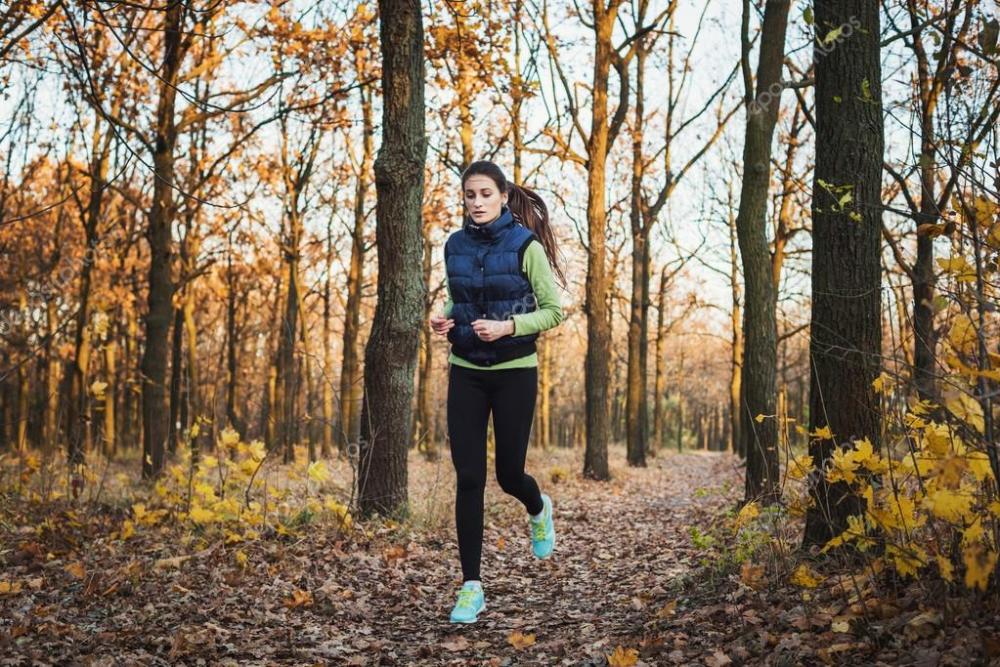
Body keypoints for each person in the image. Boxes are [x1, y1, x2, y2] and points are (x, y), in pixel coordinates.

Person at [429, 160, 567, 624]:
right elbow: (459, 299)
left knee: (509, 476)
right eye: (470, 195)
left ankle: (538, 507)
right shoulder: (454, 245)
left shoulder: (526, 246)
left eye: (486, 194)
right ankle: (471, 587)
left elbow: (553, 310)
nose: (477, 202)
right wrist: (444, 318)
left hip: (514, 372)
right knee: (469, 477)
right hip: (466, 370)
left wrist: (509, 326)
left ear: (503, 196)